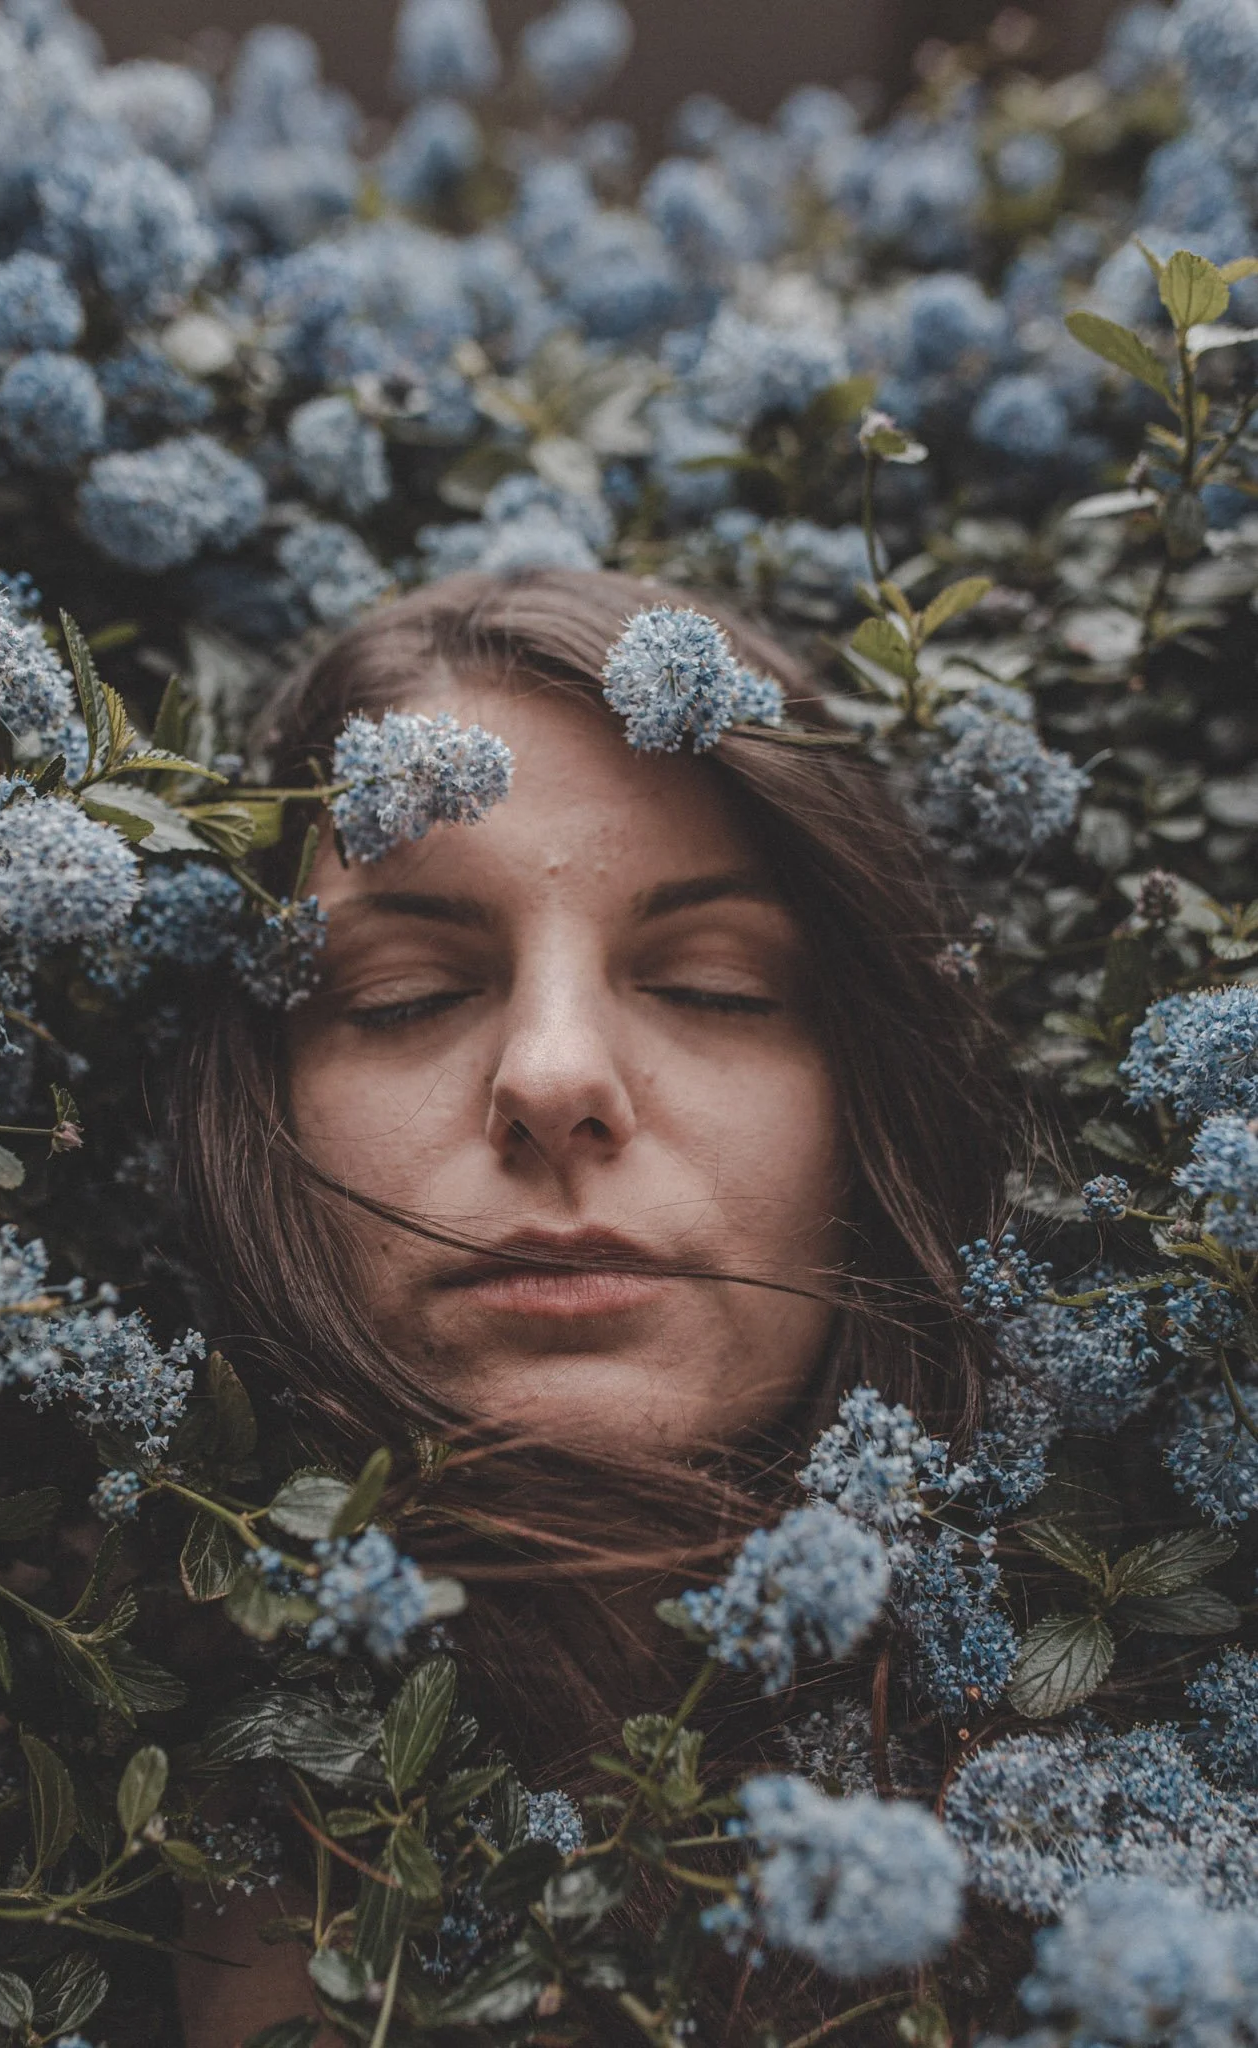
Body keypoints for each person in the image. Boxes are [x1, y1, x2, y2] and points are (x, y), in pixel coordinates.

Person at [172, 568, 1017, 2043]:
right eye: (403, 994)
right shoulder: (4, 1826)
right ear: (259, 1121)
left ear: (869, 1104)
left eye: (716, 983)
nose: (555, 1078)